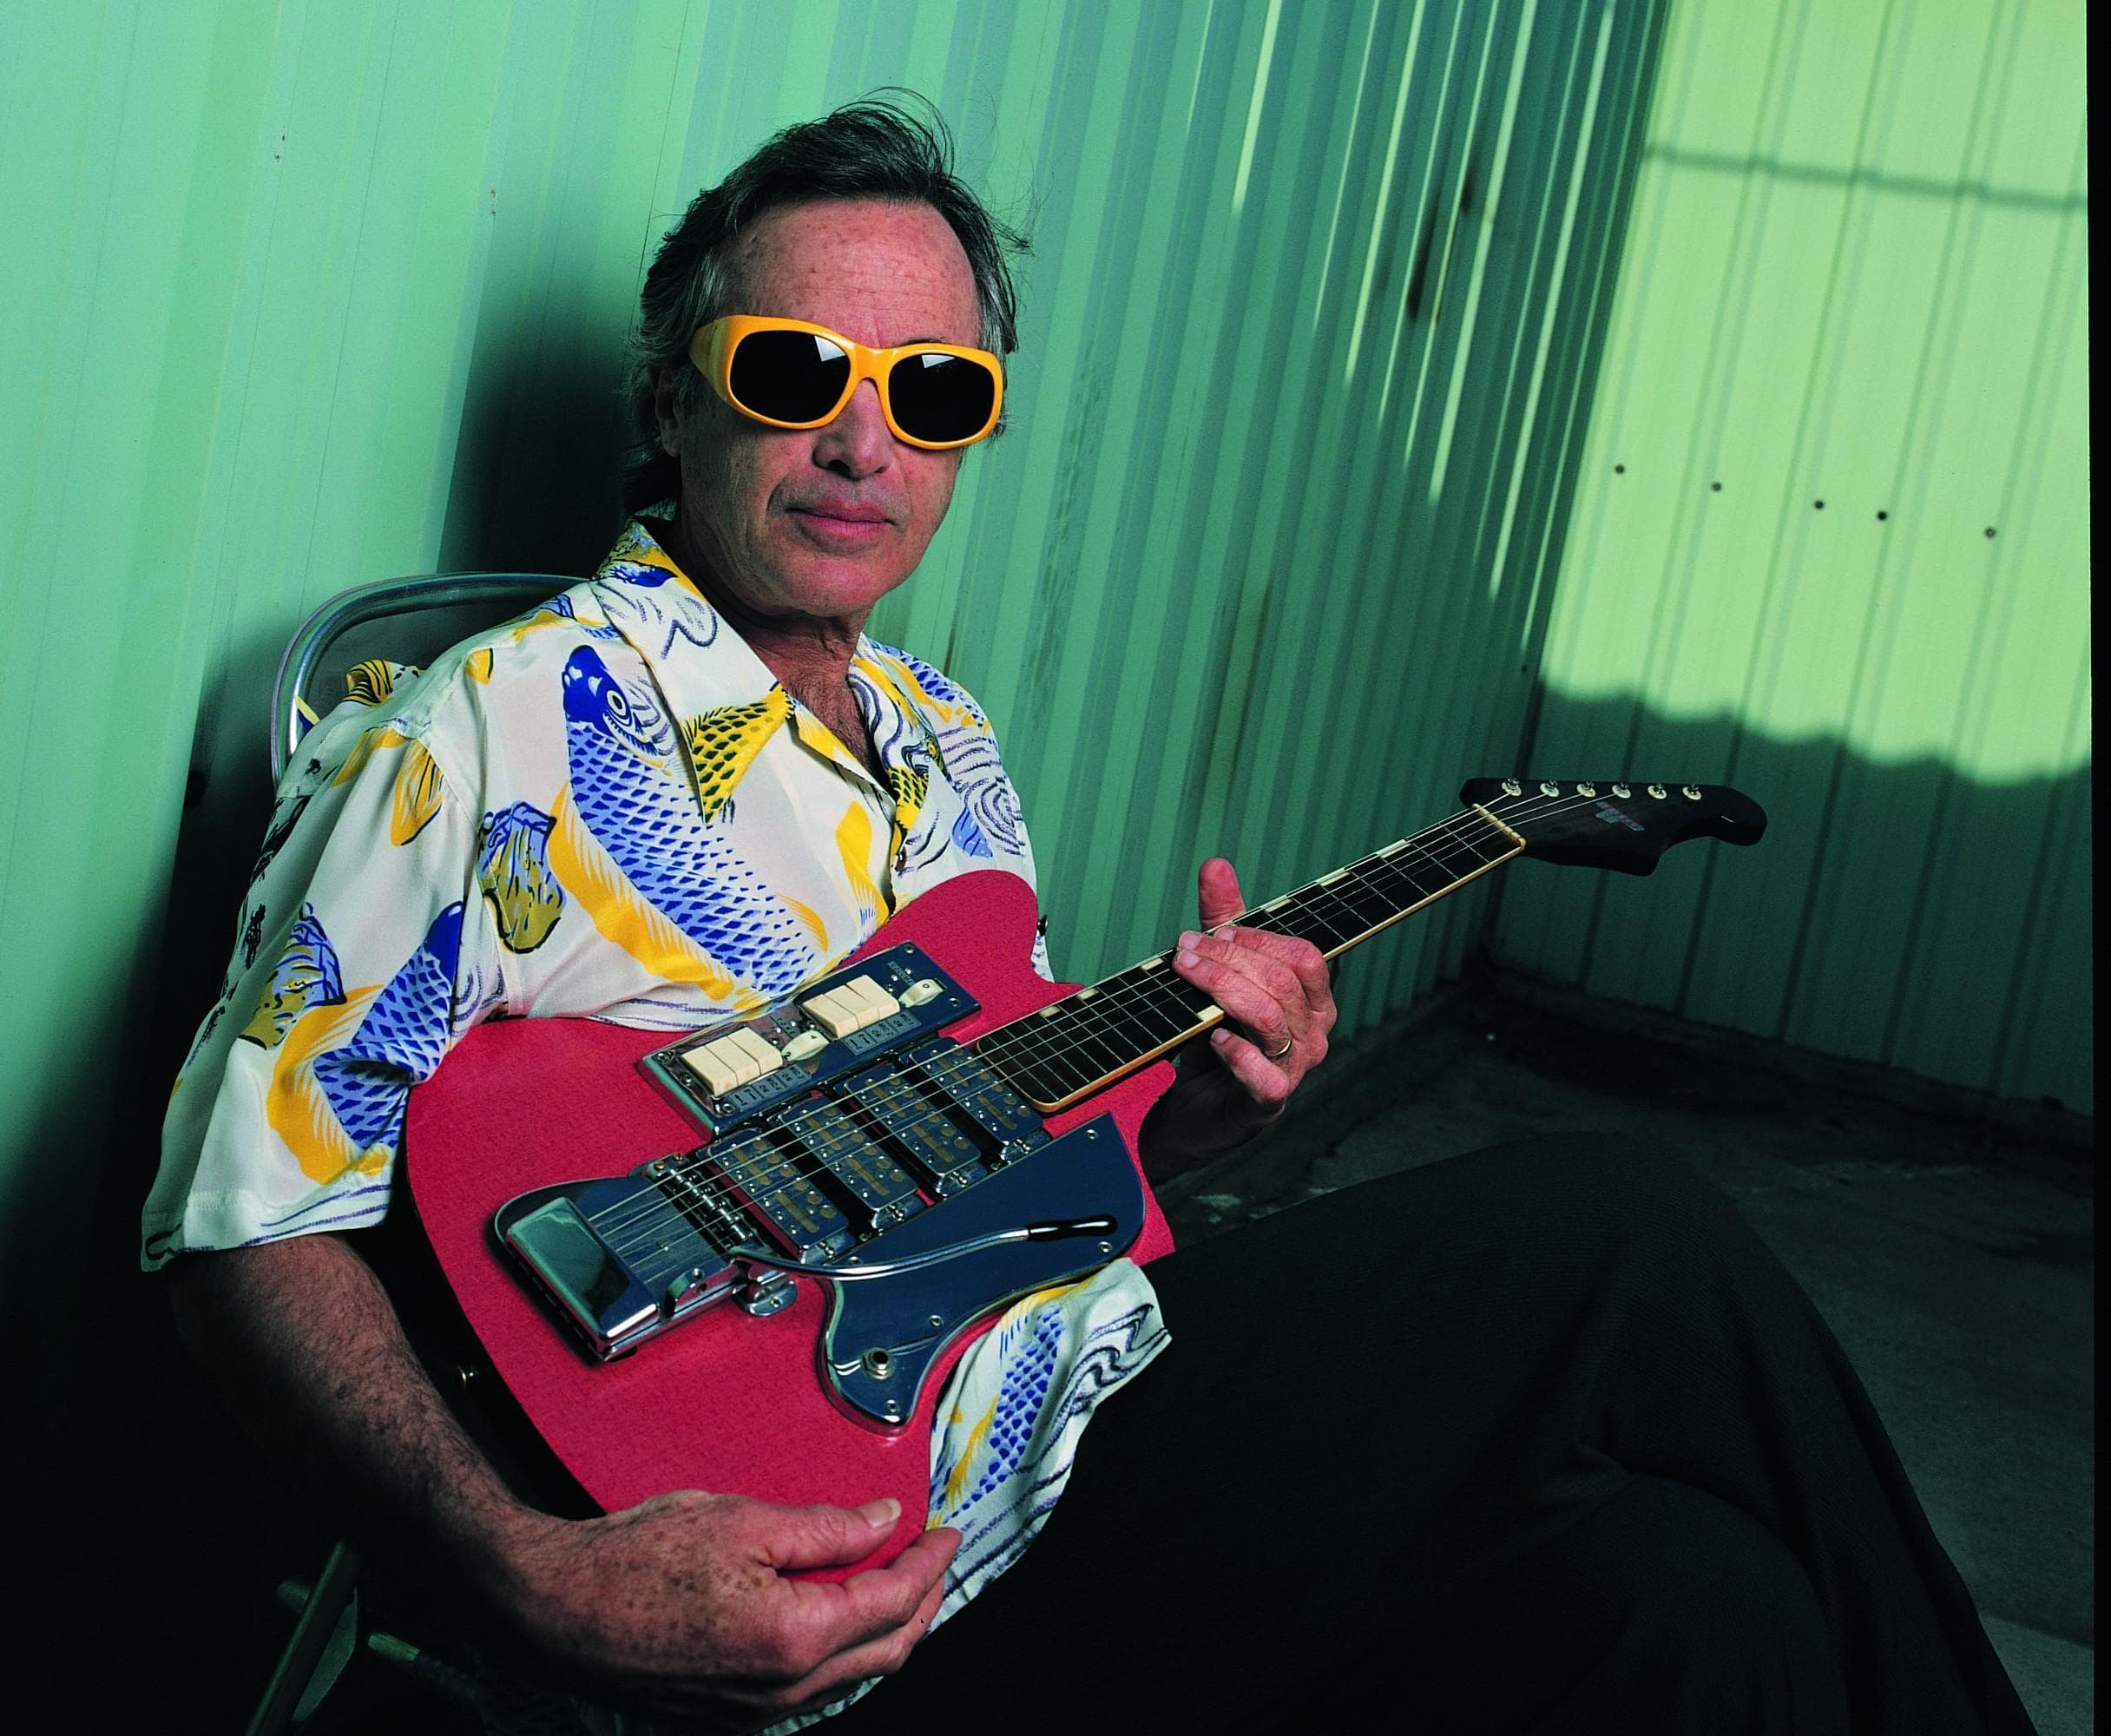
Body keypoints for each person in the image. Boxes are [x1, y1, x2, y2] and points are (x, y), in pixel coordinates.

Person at [148, 100, 2034, 1735]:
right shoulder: (489, 727)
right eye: (795, 371)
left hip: (1059, 1440)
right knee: (1628, 1235)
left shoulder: (947, 746)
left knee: (1698, 1599)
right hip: (864, 1580)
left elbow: (989, 1169)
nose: (863, 442)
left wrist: (1188, 1116)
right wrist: (524, 1572)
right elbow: (241, 1223)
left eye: (931, 392)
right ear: (672, 389)